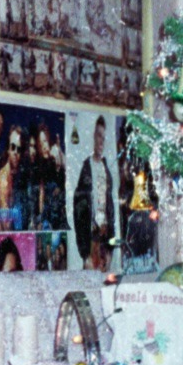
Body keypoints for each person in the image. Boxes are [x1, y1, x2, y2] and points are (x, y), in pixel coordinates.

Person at [73, 115, 115, 269]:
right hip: (91, 240)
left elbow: (111, 210)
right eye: (98, 135)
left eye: (103, 137)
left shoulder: (106, 170)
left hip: (104, 238)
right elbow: (79, 212)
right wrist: (85, 253)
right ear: (92, 136)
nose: (101, 141)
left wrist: (110, 248)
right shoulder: (85, 169)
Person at [0, 126, 25, 231]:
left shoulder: (14, 174)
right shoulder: (4, 179)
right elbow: (6, 225)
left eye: (18, 149)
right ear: (8, 150)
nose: (15, 152)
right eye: (13, 147)